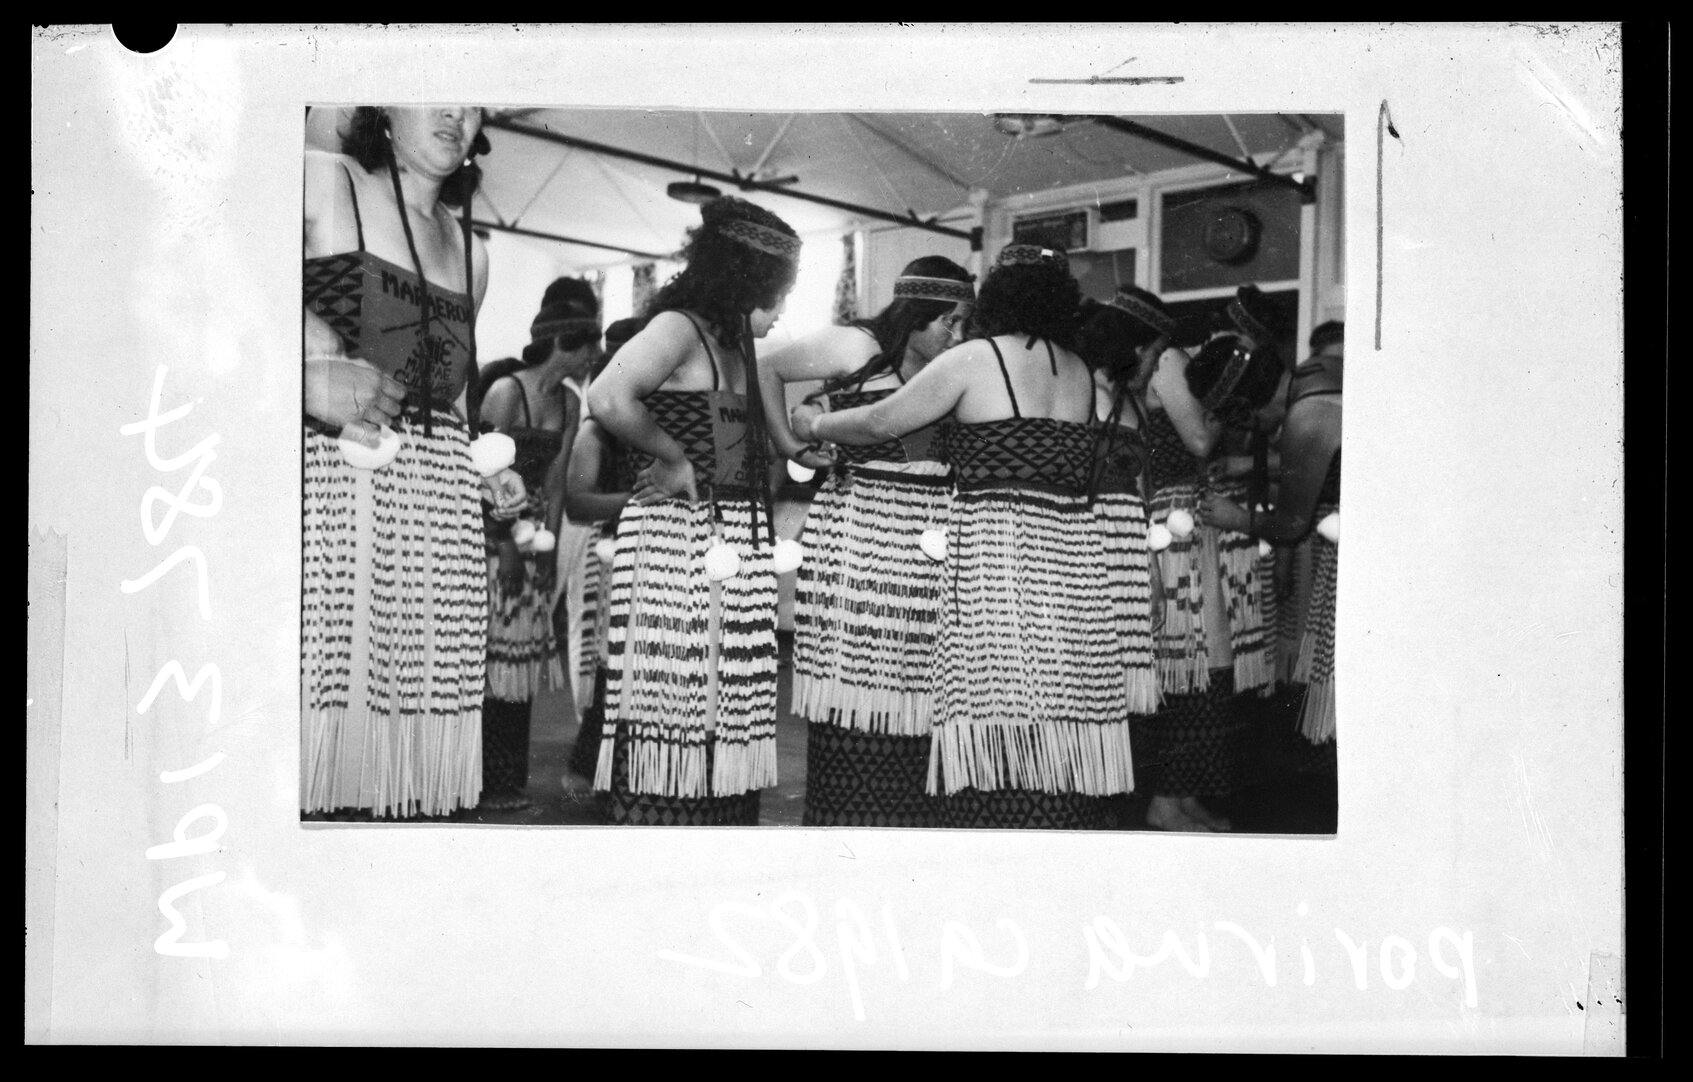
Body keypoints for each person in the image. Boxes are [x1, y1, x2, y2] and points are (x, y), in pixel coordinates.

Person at [792, 244, 1131, 830]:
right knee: (1051, 712)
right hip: (1071, 563)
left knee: (989, 715)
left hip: (997, 556)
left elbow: (881, 420)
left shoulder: (979, 358)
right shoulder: (1077, 371)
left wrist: (812, 424)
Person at [301, 104, 526, 820]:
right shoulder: (324, 180)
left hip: (439, 512)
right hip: (332, 489)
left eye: (470, 96)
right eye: (433, 86)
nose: (455, 110)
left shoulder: (473, 251)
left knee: (418, 734)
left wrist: (485, 465)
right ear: (385, 105)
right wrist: (304, 373)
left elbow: (452, 394)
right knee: (329, 721)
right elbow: (210, 294)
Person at [586, 197, 799, 825]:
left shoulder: (739, 349)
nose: (782, 309)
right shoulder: (680, 328)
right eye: (778, 293)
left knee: (725, 707)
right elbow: (607, 395)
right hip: (677, 548)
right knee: (674, 706)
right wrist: (672, 454)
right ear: (746, 282)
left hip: (732, 548)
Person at [758, 256, 975, 827]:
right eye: (947, 321)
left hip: (927, 547)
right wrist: (790, 443)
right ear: (915, 313)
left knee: (917, 687)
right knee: (853, 683)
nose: (957, 335)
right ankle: (843, 823)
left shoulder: (955, 371)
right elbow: (766, 370)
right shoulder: (858, 349)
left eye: (964, 324)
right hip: (857, 537)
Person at [473, 277, 602, 811]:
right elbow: (480, 471)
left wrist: (545, 550)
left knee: (520, 659)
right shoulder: (507, 391)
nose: (597, 356)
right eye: (591, 345)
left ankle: (506, 780)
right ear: (566, 342)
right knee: (488, 661)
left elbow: (552, 482)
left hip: (528, 541)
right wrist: (502, 544)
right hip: (487, 538)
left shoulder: (570, 403)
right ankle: (481, 780)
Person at [1203, 320, 1342, 749]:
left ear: (1248, 408)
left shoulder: (1308, 414)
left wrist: (1235, 518)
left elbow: (1292, 524)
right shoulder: (1319, 370)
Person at [1075, 287, 1173, 723]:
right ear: (1135, 350)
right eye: (1154, 355)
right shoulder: (1080, 394)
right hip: (1088, 550)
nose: (1155, 368)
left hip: (1127, 547)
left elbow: (1141, 490)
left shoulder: (1130, 403)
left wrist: (1148, 564)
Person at [563, 317, 643, 782]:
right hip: (611, 559)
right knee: (609, 668)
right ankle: (597, 766)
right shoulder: (596, 433)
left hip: (651, 556)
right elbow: (577, 502)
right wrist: (642, 500)